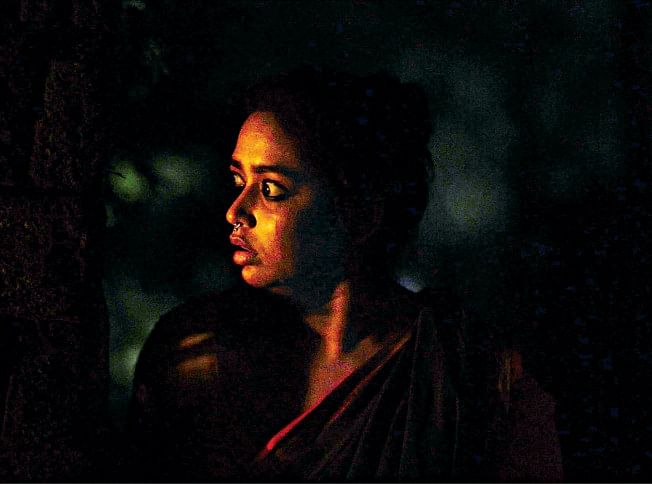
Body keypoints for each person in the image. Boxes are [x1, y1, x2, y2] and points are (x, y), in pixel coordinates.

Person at [127, 67, 562, 481]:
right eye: (239, 181)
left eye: (271, 189)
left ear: (360, 213)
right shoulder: (192, 351)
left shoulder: (470, 373)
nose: (235, 211)